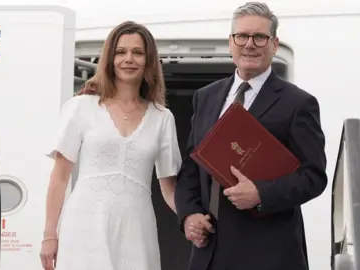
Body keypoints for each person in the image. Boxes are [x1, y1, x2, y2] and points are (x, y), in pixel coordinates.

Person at [174, 2, 327, 270]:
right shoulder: (206, 97)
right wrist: (188, 214)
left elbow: (314, 177)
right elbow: (191, 165)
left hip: (269, 253)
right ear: (231, 42)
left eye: (260, 37)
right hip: (209, 251)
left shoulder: (299, 103)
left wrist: (261, 194)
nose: (250, 44)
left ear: (275, 44)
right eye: (242, 36)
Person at [39, 21, 182, 270]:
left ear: (148, 60)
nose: (129, 59)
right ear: (109, 58)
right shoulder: (81, 107)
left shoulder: (162, 118)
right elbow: (60, 177)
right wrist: (50, 234)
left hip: (136, 228)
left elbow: (169, 189)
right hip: (84, 225)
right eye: (120, 52)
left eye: (137, 52)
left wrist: (192, 218)